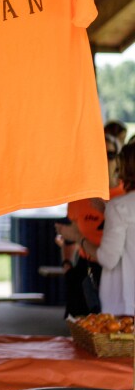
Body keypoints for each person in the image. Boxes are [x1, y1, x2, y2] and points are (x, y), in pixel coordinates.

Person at [56, 133, 124, 316]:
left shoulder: (127, 195)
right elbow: (70, 234)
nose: (104, 161)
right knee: (80, 329)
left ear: (118, 160)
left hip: (117, 272)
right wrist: (67, 265)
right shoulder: (81, 195)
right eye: (98, 155)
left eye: (109, 155)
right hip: (86, 269)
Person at [66, 142, 135, 315]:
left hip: (124, 303)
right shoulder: (117, 208)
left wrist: (79, 239)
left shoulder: (120, 207)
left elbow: (108, 258)